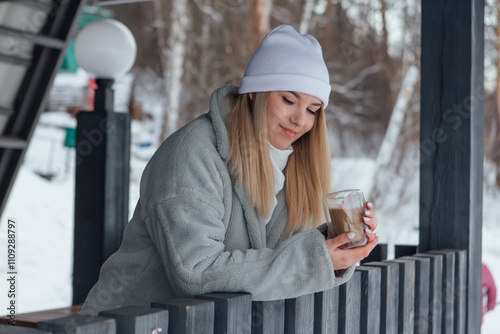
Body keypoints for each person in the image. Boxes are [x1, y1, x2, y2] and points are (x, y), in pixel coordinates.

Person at [81, 25, 378, 314]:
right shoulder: (192, 156)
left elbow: (271, 265)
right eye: (289, 99)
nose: (300, 120)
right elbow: (194, 273)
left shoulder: (292, 167)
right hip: (126, 324)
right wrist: (314, 259)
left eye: (313, 109)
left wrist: (332, 246)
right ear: (254, 92)